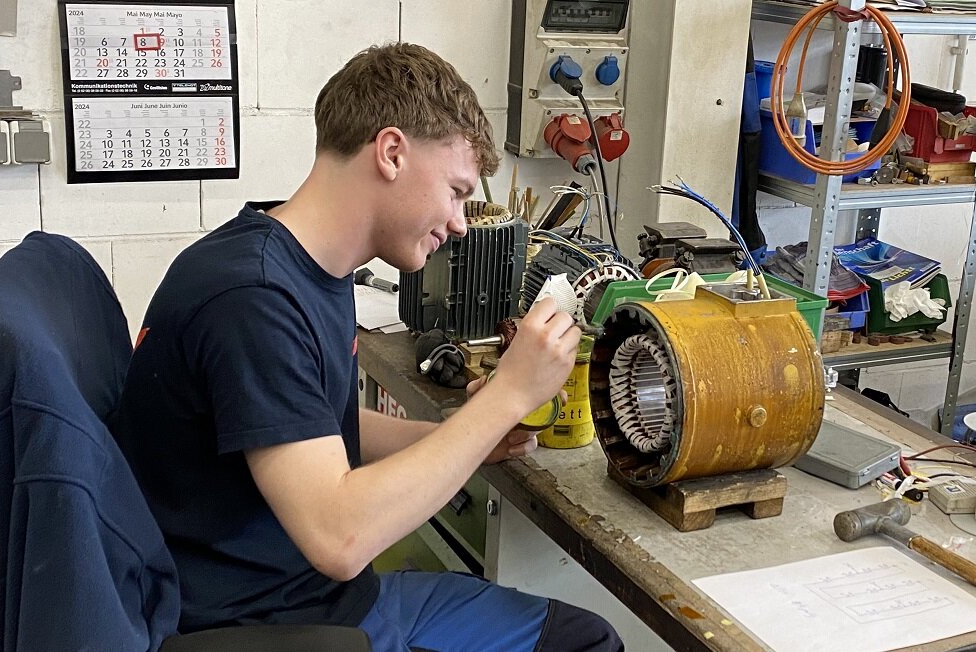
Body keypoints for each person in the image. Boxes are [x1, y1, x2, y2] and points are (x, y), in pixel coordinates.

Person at [112, 43, 623, 651]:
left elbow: (314, 427)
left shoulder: (295, 264)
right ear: (391, 152)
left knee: (579, 633)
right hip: (271, 624)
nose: (461, 221)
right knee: (586, 646)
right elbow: (340, 538)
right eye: (457, 191)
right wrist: (507, 394)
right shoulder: (252, 299)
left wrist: (468, 439)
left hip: (304, 600)